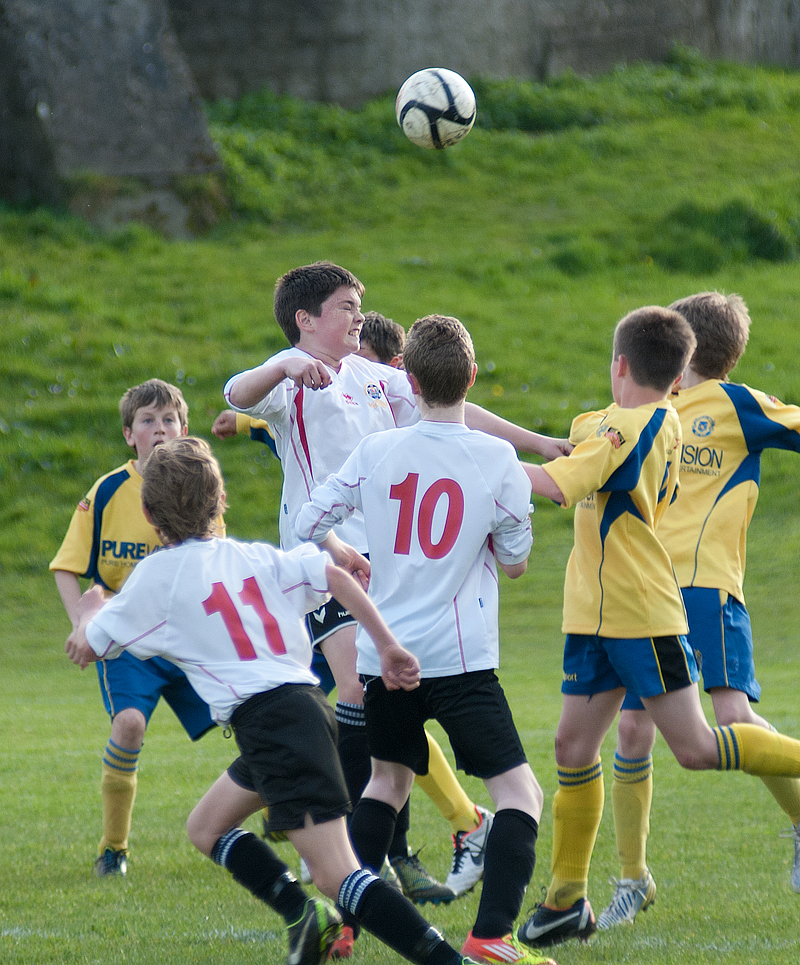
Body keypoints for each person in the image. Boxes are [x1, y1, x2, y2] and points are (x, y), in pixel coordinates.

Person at [223, 262, 570, 912]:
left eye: (360, 305)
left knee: (385, 725)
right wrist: (282, 364)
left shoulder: (374, 377)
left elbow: (459, 419)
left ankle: (357, 858)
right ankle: (343, 853)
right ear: (306, 319)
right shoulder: (290, 382)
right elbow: (237, 393)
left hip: (384, 565)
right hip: (320, 560)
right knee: (357, 687)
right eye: (347, 306)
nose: (360, 316)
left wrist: (539, 442)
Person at [64, 436, 482, 965]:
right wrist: (387, 643)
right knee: (206, 826)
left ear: (148, 513)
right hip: (300, 712)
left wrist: (88, 608)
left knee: (340, 877)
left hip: (275, 724)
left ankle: (448, 962)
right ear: (220, 502)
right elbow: (334, 575)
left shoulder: (155, 579)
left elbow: (88, 647)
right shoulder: (253, 555)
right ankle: (300, 912)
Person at [514, 305, 800, 951]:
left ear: (621, 364)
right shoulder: (620, 420)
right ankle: (587, 891)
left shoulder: (668, 420)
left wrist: (467, 458)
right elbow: (581, 435)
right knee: (581, 743)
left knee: (707, 738)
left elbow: (561, 482)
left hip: (666, 600)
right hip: (603, 609)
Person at [296, 314, 557, 965]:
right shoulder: (497, 458)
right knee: (520, 794)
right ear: (471, 376)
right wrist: (497, 537)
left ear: (407, 380)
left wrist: (345, 549)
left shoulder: (378, 450)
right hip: (459, 659)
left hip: (383, 655)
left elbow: (308, 519)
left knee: (386, 783)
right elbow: (517, 558)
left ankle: (343, 912)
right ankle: (492, 933)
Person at [595, 292, 800, 930]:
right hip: (644, 592)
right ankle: (633, 879)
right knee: (631, 733)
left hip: (706, 590)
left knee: (732, 718)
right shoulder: (650, 407)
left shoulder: (738, 405)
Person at [50, 378, 219, 877]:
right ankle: (113, 849)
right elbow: (67, 566)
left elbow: (212, 566)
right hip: (127, 645)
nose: (160, 429)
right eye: (148, 421)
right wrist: (84, 619)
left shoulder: (200, 487)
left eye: (169, 420)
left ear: (184, 429)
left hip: (187, 641)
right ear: (130, 434)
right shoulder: (107, 491)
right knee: (128, 726)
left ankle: (283, 810)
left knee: (253, 717)